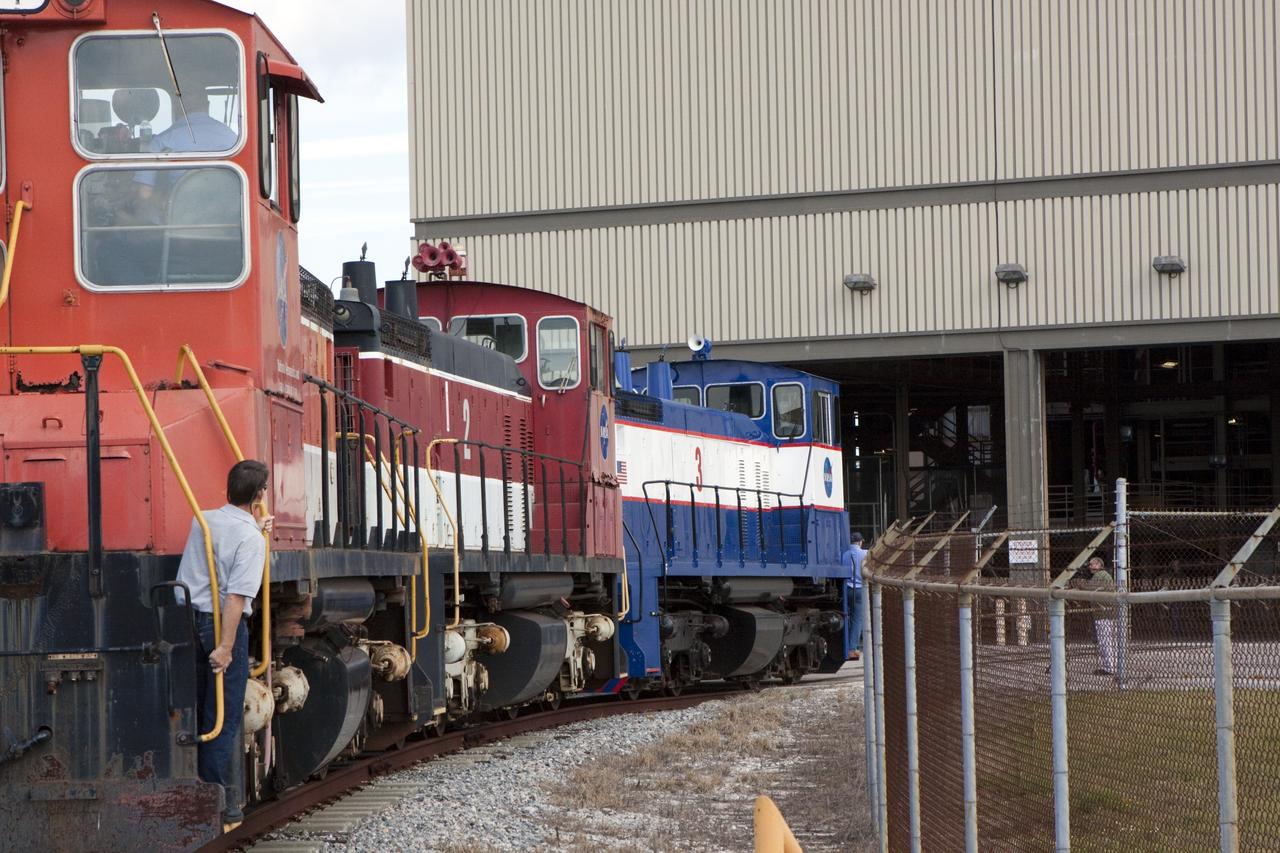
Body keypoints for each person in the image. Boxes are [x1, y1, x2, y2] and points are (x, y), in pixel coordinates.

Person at [176, 460, 272, 827]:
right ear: (259, 495)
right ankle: (214, 800)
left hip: (188, 619)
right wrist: (226, 647)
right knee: (223, 715)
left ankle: (193, 787)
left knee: (199, 706)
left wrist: (255, 526)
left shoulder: (203, 519)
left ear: (228, 490)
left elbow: (225, 537)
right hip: (220, 626)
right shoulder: (250, 540)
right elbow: (235, 598)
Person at [1083, 555, 1118, 676]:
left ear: (1099, 565)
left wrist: (1081, 585)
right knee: (1110, 640)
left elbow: (1089, 589)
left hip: (1103, 613)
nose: (1090, 566)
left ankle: (1109, 667)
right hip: (1108, 612)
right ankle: (1113, 665)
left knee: (1105, 641)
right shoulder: (1104, 575)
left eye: (1092, 564)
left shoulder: (1099, 575)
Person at [842, 532, 868, 660]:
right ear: (859, 542)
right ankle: (853, 648)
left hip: (846, 588)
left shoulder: (844, 555)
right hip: (859, 590)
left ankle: (844, 646)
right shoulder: (865, 554)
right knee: (857, 619)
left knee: (846, 617)